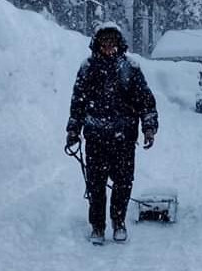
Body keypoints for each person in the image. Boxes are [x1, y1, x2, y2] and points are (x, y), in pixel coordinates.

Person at [65, 23, 158, 245]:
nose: (109, 47)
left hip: (124, 137)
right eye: (104, 43)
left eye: (112, 43)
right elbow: (78, 102)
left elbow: (145, 100)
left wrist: (149, 127)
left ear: (118, 44)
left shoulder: (130, 68)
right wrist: (73, 130)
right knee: (96, 184)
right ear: (97, 44)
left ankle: (119, 222)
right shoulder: (87, 68)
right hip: (95, 137)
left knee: (123, 183)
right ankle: (97, 227)